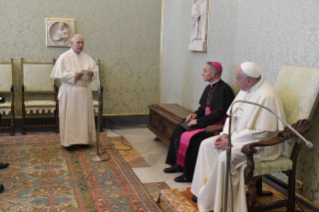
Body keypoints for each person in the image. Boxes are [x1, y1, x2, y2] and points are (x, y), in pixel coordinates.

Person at [191, 62, 286, 212]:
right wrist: (225, 134)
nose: (235, 82)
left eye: (238, 79)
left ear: (249, 80)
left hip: (260, 146)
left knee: (225, 156)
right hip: (237, 139)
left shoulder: (267, 95)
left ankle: (222, 202)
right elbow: (232, 115)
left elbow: (262, 132)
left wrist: (231, 142)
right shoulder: (246, 89)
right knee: (207, 145)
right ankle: (206, 194)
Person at [163, 62, 235, 183]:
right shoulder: (209, 87)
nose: (202, 73)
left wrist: (198, 122)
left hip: (215, 126)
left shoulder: (224, 89)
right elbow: (203, 109)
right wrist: (195, 115)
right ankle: (178, 164)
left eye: (204, 71)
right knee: (179, 129)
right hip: (204, 121)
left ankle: (189, 174)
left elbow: (219, 114)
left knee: (193, 140)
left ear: (212, 74)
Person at [50, 34, 98, 151]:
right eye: (78, 42)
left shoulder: (87, 57)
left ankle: (84, 140)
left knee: (83, 117)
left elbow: (95, 70)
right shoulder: (64, 57)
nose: (80, 45)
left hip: (84, 92)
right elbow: (58, 75)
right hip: (70, 91)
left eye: (82, 42)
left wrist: (92, 73)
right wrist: (73, 75)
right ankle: (69, 142)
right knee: (70, 118)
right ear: (71, 43)